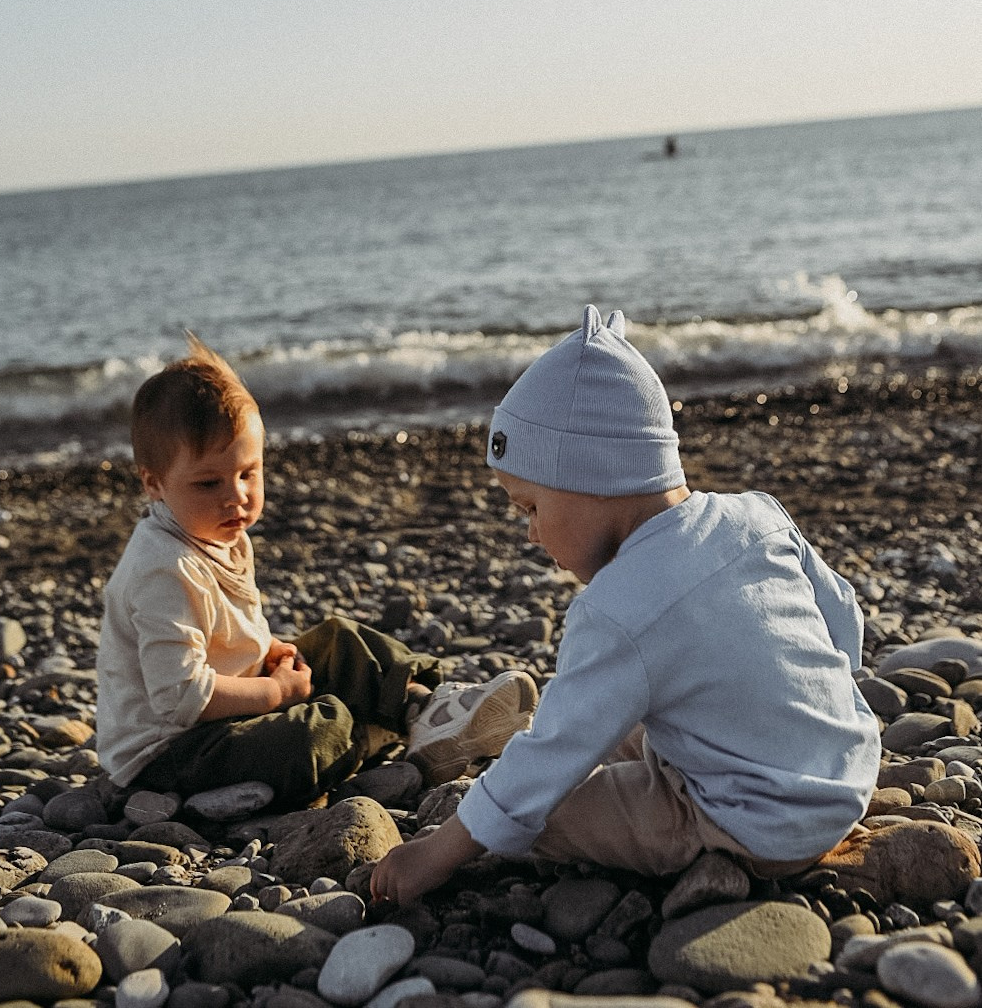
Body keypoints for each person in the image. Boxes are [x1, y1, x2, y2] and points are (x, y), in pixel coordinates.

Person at [371, 305, 881, 903]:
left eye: (531, 508)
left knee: (546, 812)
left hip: (757, 824)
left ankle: (526, 758)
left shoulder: (619, 608)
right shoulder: (757, 515)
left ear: (591, 482)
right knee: (641, 696)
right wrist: (795, 708)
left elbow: (553, 760)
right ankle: (555, 735)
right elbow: (844, 617)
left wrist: (438, 850)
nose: (530, 535)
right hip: (848, 772)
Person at [96, 337, 537, 806]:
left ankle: (427, 709)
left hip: (227, 704)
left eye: (248, 472)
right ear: (154, 484)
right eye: (209, 483)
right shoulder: (164, 569)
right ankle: (373, 733)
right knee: (315, 733)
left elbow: (224, 632)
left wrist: (268, 651)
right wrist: (274, 691)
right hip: (169, 750)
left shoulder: (218, 532)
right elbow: (180, 698)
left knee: (340, 639)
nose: (236, 496)